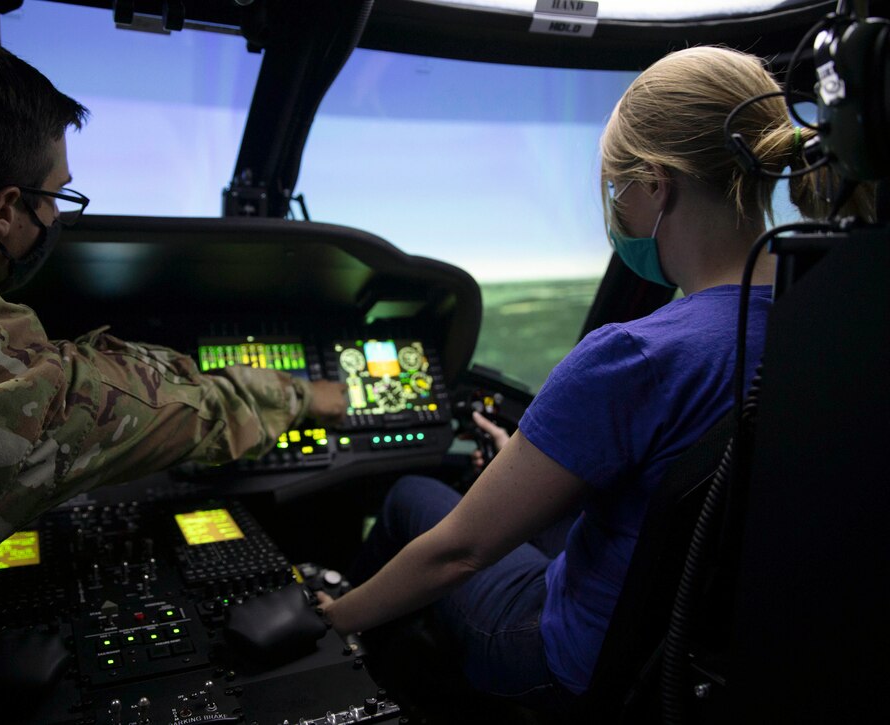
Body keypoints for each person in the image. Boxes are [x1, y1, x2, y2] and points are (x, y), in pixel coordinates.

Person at [0, 20, 346, 724]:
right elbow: (199, 408)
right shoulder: (10, 381)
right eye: (53, 194)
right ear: (4, 211)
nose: (56, 212)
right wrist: (309, 395)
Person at [318, 45, 872, 710]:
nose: (616, 209)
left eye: (618, 190)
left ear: (656, 185)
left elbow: (457, 554)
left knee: (412, 497)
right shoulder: (827, 336)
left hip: (567, 661)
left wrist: (331, 617)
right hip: (690, 659)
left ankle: (356, 677)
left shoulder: (634, 355)